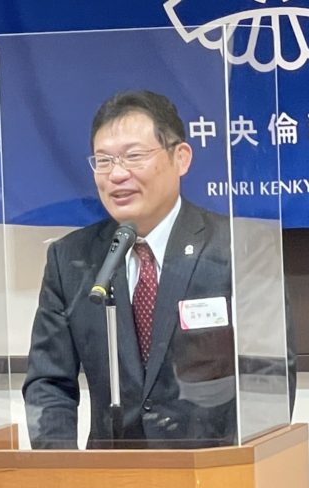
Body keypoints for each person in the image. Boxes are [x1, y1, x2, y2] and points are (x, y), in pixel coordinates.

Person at [23, 90, 295, 449]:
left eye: (134, 156)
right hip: (112, 475)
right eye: (103, 161)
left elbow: (268, 375)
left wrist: (244, 464)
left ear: (180, 158)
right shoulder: (71, 258)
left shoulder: (239, 247)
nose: (117, 174)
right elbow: (49, 383)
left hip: (214, 471)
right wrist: (61, 469)